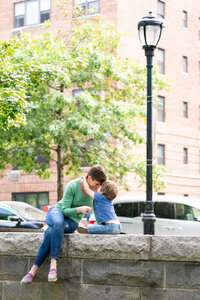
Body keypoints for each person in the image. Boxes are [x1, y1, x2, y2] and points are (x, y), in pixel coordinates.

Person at [20, 165, 107, 285]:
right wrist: (79, 209)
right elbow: (65, 209)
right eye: (96, 184)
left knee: (51, 231)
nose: (97, 187)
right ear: (89, 177)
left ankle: (33, 270)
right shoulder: (73, 185)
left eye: (99, 185)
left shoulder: (93, 194)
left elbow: (99, 214)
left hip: (71, 223)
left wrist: (106, 225)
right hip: (57, 212)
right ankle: (53, 264)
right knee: (58, 223)